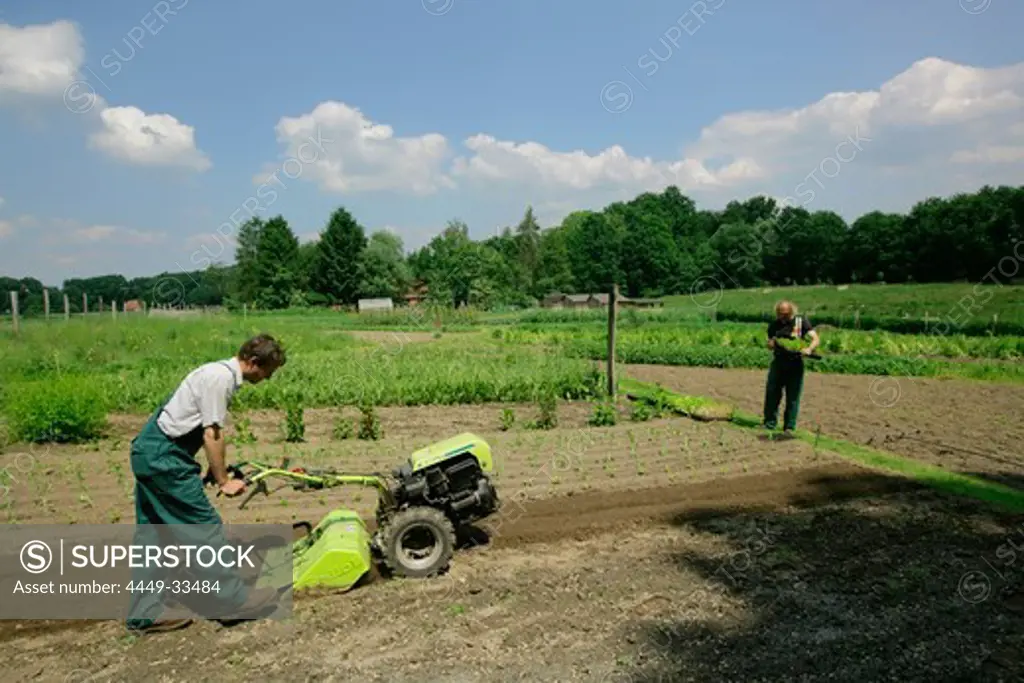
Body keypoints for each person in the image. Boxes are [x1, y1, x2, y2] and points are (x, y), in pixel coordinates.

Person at [125, 334, 287, 634]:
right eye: (269, 372)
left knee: (154, 535)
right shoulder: (220, 380)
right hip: (165, 460)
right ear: (253, 363)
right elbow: (211, 434)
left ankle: (144, 612)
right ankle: (232, 601)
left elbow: (190, 423)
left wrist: (218, 469)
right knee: (203, 526)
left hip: (150, 451)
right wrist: (224, 480)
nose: (268, 379)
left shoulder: (213, 371)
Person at [763, 300, 819, 437]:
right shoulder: (774, 325)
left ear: (791, 312)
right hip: (779, 362)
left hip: (795, 363)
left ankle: (789, 427)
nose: (782, 317)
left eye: (785, 314)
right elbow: (770, 341)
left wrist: (809, 349)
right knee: (772, 392)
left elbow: (815, 338)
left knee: (793, 395)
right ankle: (769, 423)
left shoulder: (800, 322)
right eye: (780, 314)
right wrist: (770, 344)